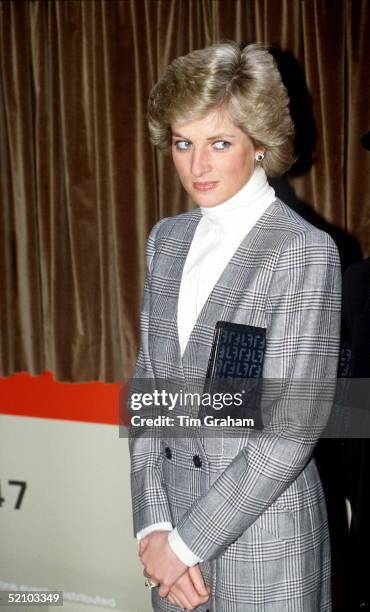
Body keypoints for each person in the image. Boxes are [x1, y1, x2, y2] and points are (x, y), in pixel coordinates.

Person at [128, 41, 342, 611]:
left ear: (259, 145)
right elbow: (150, 391)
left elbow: (291, 429)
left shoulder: (301, 252)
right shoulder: (165, 242)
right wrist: (152, 527)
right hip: (173, 551)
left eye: (219, 143)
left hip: (266, 548)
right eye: (183, 143)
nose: (197, 166)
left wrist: (185, 544)